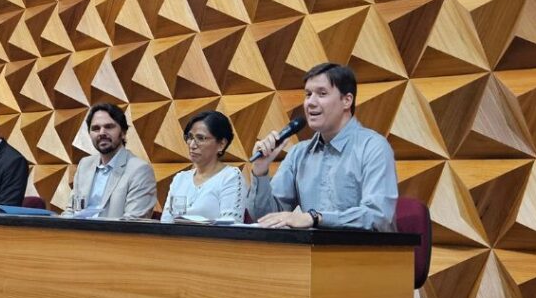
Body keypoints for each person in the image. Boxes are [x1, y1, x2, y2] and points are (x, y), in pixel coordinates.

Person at [248, 62, 398, 230]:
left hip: (363, 253)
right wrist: (260, 170)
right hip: (310, 254)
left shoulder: (373, 147)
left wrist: (316, 218)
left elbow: (378, 216)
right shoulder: (298, 153)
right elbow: (265, 219)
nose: (310, 102)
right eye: (308, 94)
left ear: (347, 100)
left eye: (322, 93)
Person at [63, 103, 156, 220]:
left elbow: (133, 221)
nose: (102, 132)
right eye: (95, 128)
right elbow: (71, 211)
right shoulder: (84, 165)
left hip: (115, 237)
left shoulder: (139, 170)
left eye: (109, 127)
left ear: (123, 133)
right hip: (76, 236)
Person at [160, 110, 243, 222]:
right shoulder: (180, 179)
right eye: (189, 137)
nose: (192, 145)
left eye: (200, 138)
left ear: (221, 144)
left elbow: (230, 226)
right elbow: (166, 223)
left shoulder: (230, 176)